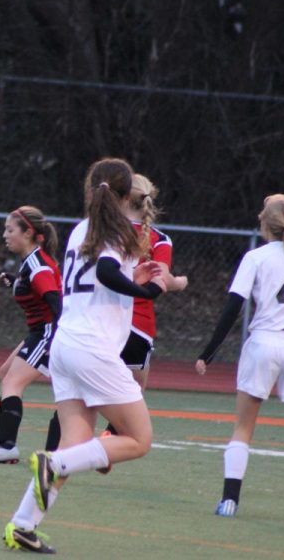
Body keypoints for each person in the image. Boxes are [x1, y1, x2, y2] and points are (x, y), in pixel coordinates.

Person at [3, 157, 167, 554]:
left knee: (75, 444)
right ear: (127, 194)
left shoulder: (82, 230)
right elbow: (108, 272)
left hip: (65, 345)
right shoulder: (116, 231)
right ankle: (52, 466)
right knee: (139, 439)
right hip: (92, 348)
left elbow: (101, 278)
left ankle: (22, 525)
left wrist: (132, 279)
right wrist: (148, 292)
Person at [195, 194, 284, 525]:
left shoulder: (256, 257)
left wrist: (208, 352)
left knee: (243, 428)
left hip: (263, 345)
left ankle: (230, 501)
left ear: (265, 222)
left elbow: (233, 307)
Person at [0, 206, 62, 464]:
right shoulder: (31, 262)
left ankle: (8, 448)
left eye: (10, 229)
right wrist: (17, 282)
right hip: (41, 330)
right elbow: (38, 289)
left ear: (28, 233)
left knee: (13, 383)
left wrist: (56, 341)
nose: (5, 235)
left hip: (49, 331)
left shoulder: (37, 264)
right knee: (5, 373)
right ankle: (4, 434)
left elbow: (55, 302)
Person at [102, 174, 188, 438]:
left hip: (100, 318)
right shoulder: (158, 238)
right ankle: (108, 439)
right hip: (138, 325)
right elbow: (161, 279)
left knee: (82, 392)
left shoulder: (102, 232)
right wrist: (181, 282)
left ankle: (61, 448)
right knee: (134, 389)